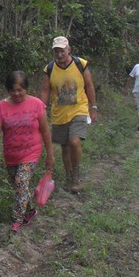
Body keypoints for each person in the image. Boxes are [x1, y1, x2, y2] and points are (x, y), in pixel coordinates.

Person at [0, 70, 55, 232]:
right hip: (11, 154)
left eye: (20, 90)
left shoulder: (36, 104)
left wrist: (50, 154)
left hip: (31, 152)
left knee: (21, 182)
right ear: (8, 90)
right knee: (19, 187)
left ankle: (17, 221)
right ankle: (30, 211)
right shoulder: (2, 106)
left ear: (26, 89)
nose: (17, 94)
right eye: (13, 90)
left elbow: (45, 131)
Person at [39, 36, 97, 193]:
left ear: (69, 50)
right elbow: (45, 90)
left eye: (62, 51)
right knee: (65, 147)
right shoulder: (49, 69)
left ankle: (76, 176)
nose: (59, 54)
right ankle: (69, 177)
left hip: (79, 109)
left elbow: (89, 86)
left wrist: (93, 107)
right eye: (56, 51)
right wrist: (41, 109)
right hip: (59, 113)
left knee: (74, 141)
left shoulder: (80, 64)